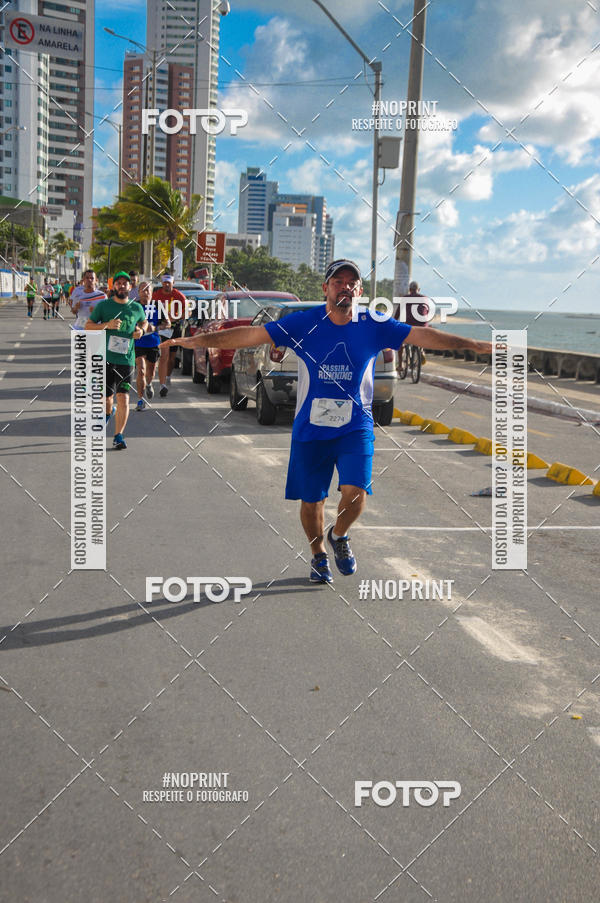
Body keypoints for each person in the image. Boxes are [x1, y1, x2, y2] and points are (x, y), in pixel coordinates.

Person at [165, 258, 492, 583]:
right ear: (326, 288)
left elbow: (424, 337)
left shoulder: (374, 323)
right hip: (311, 428)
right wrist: (196, 341)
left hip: (355, 426)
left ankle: (339, 534)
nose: (345, 287)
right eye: (338, 282)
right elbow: (250, 336)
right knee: (312, 501)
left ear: (360, 291)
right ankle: (319, 553)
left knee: (356, 492)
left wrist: (475, 345)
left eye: (352, 283)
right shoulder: (304, 323)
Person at [85, 271, 147, 450]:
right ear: (114, 286)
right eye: (118, 283)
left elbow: (143, 322)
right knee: (106, 398)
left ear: (130, 287)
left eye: (125, 283)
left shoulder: (136, 308)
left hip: (126, 361)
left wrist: (141, 331)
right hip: (105, 359)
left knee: (124, 398)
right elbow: (88, 326)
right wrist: (106, 325)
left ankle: (118, 435)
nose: (121, 285)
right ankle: (107, 412)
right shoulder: (104, 306)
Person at [134, 280, 170, 409]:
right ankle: (140, 400)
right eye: (143, 290)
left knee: (150, 371)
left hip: (153, 342)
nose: (145, 293)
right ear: (138, 292)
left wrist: (155, 328)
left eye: (148, 290)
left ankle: (148, 384)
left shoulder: (158, 306)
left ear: (152, 293)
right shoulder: (134, 306)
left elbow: (168, 323)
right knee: (141, 370)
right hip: (138, 342)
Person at [153, 274, 186, 397]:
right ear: (162, 283)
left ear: (173, 284)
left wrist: (173, 318)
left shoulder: (178, 296)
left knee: (172, 357)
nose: (167, 285)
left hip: (174, 327)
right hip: (162, 328)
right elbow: (150, 309)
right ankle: (163, 383)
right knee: (164, 355)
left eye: (169, 283)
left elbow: (186, 311)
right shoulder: (156, 295)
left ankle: (167, 376)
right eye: (165, 282)